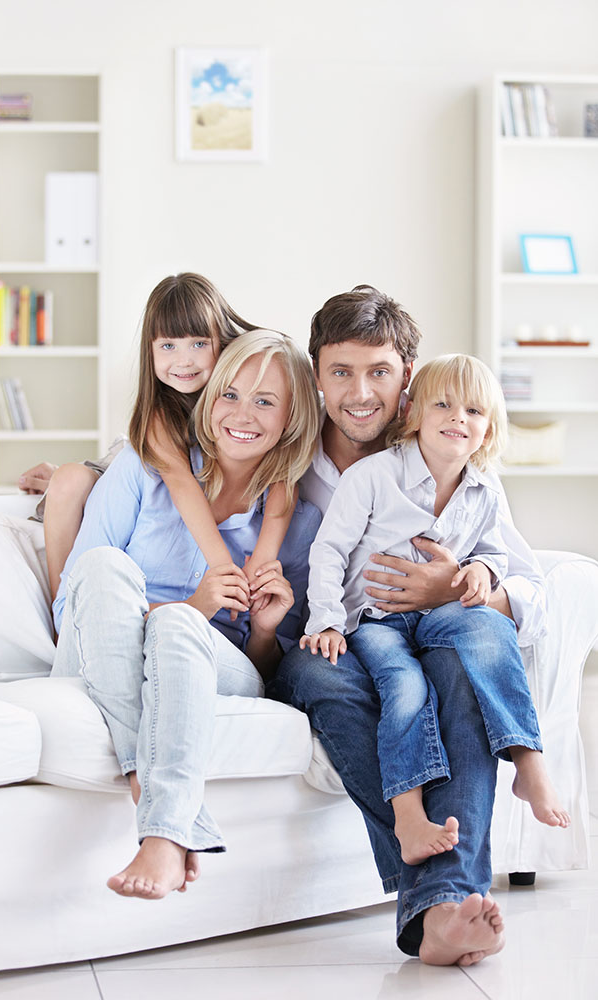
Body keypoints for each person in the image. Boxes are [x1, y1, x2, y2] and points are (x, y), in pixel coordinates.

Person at [268, 284, 550, 966]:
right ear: (317, 377)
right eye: (341, 372)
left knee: (458, 669)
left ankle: (440, 909)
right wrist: (90, 473)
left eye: (380, 373)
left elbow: (527, 587)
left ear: (407, 383)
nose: (360, 392)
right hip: (321, 635)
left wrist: (459, 586)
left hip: (422, 631)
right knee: (334, 683)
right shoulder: (288, 449)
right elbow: (205, 440)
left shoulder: (458, 465)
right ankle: (442, 900)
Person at [51, 329, 321, 899]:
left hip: (215, 663)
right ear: (210, 396)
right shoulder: (143, 471)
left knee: (177, 627)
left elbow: (266, 671)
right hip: (101, 642)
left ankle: (161, 825)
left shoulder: (298, 525)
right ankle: (161, 810)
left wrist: (268, 628)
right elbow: (77, 597)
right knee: (103, 564)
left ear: (292, 420)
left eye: (266, 402)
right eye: (230, 394)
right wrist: (193, 605)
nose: (242, 414)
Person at [300, 352, 569, 869]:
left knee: (488, 625)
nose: (457, 418)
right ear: (413, 414)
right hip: (376, 619)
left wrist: (481, 574)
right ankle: (408, 813)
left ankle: (528, 760)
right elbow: (329, 550)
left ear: (488, 431)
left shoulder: (486, 489)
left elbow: (495, 554)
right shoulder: (375, 476)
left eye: (473, 411)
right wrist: (328, 620)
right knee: (405, 685)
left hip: (439, 615)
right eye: (443, 405)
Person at [20, 273, 297, 602]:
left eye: (198, 344)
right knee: (68, 480)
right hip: (130, 470)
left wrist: (262, 562)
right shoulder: (160, 414)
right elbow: (180, 483)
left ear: (220, 340)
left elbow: (284, 472)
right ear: (149, 351)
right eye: (168, 346)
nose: (184, 361)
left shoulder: (246, 371)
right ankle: (62, 615)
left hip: (161, 472)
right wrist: (224, 567)